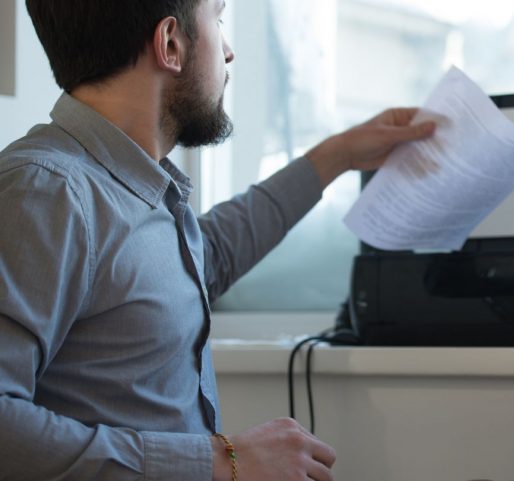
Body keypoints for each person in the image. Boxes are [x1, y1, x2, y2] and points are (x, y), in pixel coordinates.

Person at [0, 0, 435, 480]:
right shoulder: (46, 191)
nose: (228, 51)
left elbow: (209, 256)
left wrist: (339, 154)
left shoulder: (134, 191)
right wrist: (220, 460)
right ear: (170, 43)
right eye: (218, 19)